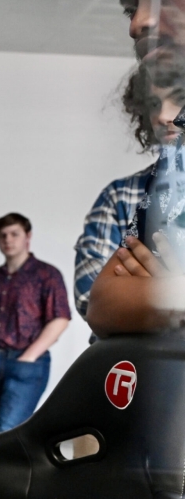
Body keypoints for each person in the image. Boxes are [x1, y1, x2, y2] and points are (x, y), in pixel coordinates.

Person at [75, 47, 185, 326]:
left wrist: (146, 291)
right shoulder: (119, 196)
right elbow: (91, 298)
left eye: (179, 100)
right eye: (153, 105)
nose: (163, 116)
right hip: (130, 362)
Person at [0, 213, 71, 433]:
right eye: (3, 235)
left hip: (26, 365)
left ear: (28, 237)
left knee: (6, 431)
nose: (8, 240)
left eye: (14, 234)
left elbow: (60, 318)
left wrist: (28, 357)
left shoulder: (47, 274)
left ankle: (7, 468)